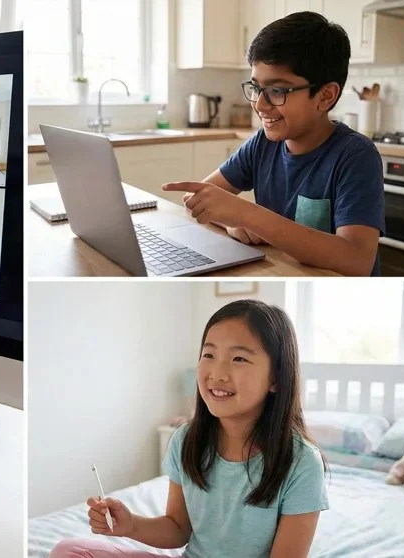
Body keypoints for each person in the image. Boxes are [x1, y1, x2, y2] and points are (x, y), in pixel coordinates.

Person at [50, 300, 328, 558]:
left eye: (239, 359)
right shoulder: (186, 440)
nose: (216, 373)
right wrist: (130, 525)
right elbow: (178, 528)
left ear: (276, 379)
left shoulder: (302, 462)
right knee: (70, 551)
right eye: (209, 354)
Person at [161, 12, 384, 277]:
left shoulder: (355, 156)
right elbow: (196, 199)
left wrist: (247, 214)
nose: (260, 104)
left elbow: (357, 260)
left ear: (325, 96)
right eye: (256, 88)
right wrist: (232, 223)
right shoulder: (261, 145)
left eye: (277, 91)